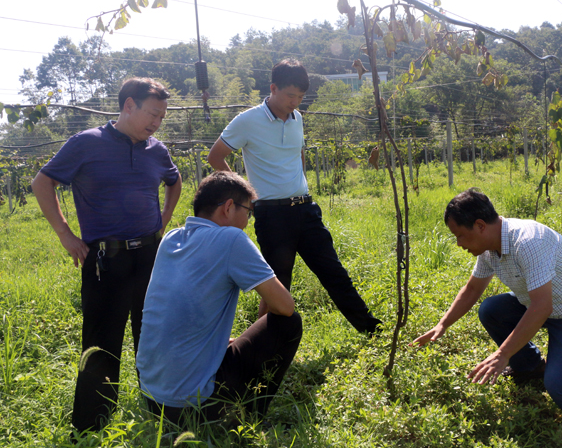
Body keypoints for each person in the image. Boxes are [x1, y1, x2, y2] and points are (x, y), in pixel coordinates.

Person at [31, 77, 182, 435]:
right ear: (129, 105)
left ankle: (161, 412)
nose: (156, 123)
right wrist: (66, 235)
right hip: (106, 260)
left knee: (154, 335)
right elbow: (42, 182)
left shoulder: (157, 150)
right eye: (152, 114)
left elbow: (174, 182)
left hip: (150, 257)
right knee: (101, 345)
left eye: (162, 117)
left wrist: (163, 220)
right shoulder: (87, 143)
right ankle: (90, 427)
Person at [412, 189, 562, 448]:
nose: (459, 244)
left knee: (559, 384)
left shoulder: (528, 241)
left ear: (480, 226)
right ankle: (531, 368)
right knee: (491, 309)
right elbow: (473, 289)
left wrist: (502, 354)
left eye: (460, 235)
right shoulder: (489, 247)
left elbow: (541, 307)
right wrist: (442, 325)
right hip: (540, 305)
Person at [207, 58, 381, 334]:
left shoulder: (297, 118)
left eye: (300, 97)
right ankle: (262, 346)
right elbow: (215, 156)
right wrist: (244, 195)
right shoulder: (247, 121)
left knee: (334, 272)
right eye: (290, 95)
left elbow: (298, 153)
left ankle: (372, 330)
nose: (295, 102)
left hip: (305, 209)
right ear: (273, 88)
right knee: (277, 285)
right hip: (272, 214)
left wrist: (301, 184)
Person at [136, 171, 302, 424]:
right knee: (290, 323)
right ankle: (247, 418)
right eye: (248, 212)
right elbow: (285, 306)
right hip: (194, 406)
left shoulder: (170, 239)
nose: (247, 222)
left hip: (152, 398)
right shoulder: (231, 238)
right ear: (228, 207)